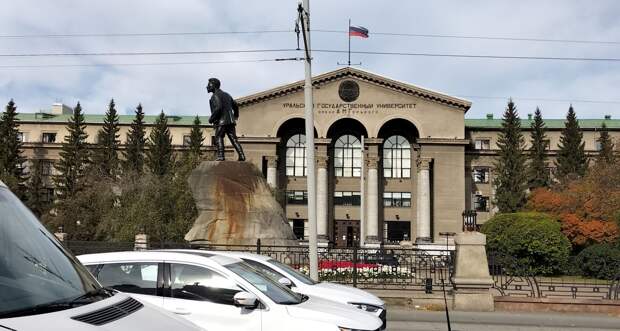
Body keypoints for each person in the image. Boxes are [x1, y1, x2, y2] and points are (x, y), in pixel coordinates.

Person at [207, 78, 245, 161]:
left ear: (214, 85)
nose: (207, 87)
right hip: (230, 121)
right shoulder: (227, 94)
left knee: (218, 137)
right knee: (234, 139)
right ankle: (242, 156)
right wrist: (236, 115)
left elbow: (218, 108)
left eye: (209, 85)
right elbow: (235, 105)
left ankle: (221, 155)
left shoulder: (215, 96)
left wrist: (211, 119)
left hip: (222, 121)